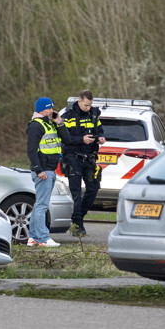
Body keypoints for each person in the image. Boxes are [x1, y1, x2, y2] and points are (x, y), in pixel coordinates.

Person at [60, 90, 106, 237]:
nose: (88, 108)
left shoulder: (94, 114)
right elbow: (65, 138)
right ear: (79, 101)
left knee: (93, 188)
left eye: (90, 105)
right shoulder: (67, 116)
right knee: (76, 193)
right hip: (73, 157)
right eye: (86, 105)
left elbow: (99, 130)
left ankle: (77, 217)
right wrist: (82, 139)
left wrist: (100, 138)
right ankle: (78, 225)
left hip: (89, 157)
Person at [25, 96, 68, 247]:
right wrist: (38, 170)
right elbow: (31, 150)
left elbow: (67, 139)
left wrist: (60, 123)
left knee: (39, 205)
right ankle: (43, 238)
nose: (52, 110)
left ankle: (33, 238)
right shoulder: (35, 126)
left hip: (50, 169)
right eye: (49, 108)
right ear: (41, 109)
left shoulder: (50, 124)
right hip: (43, 171)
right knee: (42, 206)